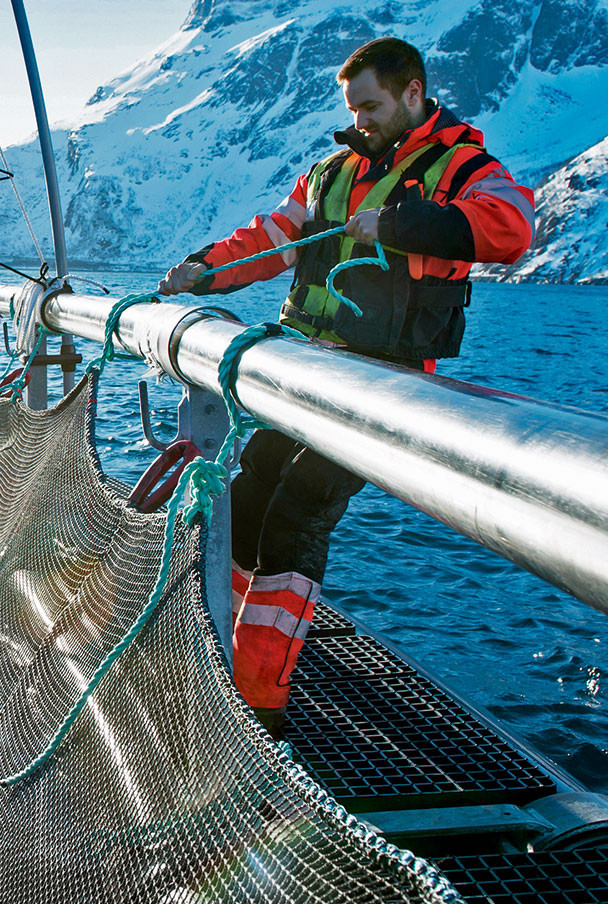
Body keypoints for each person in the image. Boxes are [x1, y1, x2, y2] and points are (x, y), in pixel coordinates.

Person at [158, 36, 535, 732]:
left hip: (381, 384)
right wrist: (201, 270)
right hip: (307, 370)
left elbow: (512, 226)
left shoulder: (462, 165)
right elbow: (270, 237)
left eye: (371, 105)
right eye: (353, 109)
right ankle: (218, 645)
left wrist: (399, 223)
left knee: (299, 510)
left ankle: (258, 698)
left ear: (413, 94)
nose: (359, 119)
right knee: (253, 489)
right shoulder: (330, 173)